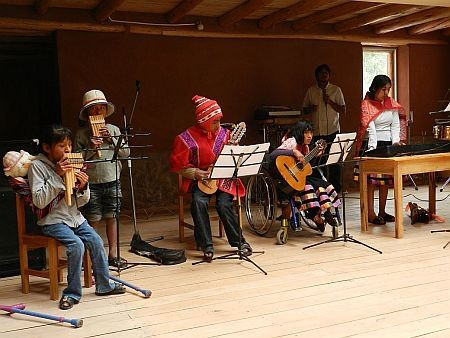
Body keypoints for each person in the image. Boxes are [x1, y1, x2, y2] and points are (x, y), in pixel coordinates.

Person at [28, 124, 125, 310]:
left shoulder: (74, 163)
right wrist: (57, 176)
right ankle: (72, 293)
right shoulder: (37, 167)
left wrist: (82, 188)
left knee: (96, 240)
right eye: (62, 146)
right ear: (47, 148)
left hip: (74, 217)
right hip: (53, 220)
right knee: (76, 245)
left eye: (69, 145)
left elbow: (80, 203)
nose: (67, 150)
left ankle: (104, 285)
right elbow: (39, 201)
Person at [170, 95, 252, 262]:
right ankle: (206, 245)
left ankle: (239, 242)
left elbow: (234, 162)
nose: (218, 125)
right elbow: (178, 166)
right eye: (215, 121)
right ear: (203, 121)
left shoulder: (226, 135)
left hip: (223, 179)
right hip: (200, 180)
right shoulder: (186, 138)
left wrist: (234, 153)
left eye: (219, 120)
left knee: (223, 204)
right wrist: (195, 173)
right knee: (198, 202)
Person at [75, 89, 130, 268]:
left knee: (112, 216)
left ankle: (113, 253)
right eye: (93, 109)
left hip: (112, 178)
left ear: (106, 111)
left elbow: (126, 153)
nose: (98, 112)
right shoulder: (82, 134)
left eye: (101, 108)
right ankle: (92, 256)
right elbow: (77, 159)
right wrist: (91, 146)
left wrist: (112, 139)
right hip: (92, 183)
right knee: (93, 218)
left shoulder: (114, 130)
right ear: (87, 114)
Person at [267, 120, 340, 232]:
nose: (310, 136)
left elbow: (306, 169)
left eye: (311, 133)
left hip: (299, 179)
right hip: (284, 179)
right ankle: (315, 216)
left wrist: (315, 155)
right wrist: (293, 152)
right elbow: (273, 155)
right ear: (299, 133)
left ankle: (326, 212)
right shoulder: (292, 142)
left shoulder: (306, 148)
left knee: (322, 185)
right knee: (309, 186)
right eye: (306, 133)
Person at [354, 75, 407, 225]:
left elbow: (395, 125)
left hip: (388, 144)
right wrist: (373, 150)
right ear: (374, 88)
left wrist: (395, 143)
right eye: (384, 89)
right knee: (371, 181)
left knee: (385, 180)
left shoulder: (391, 103)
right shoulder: (366, 104)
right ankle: (371, 214)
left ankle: (382, 211)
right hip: (373, 145)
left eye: (388, 89)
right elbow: (370, 129)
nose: (386, 92)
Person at [302, 64, 346, 192]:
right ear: (316, 76)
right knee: (316, 163)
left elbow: (343, 109)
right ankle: (319, 189)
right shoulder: (311, 91)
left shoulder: (336, 90)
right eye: (321, 73)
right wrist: (311, 109)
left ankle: (335, 189)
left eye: (326, 73)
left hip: (332, 131)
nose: (324, 75)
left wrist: (330, 102)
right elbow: (304, 110)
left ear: (329, 75)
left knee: (334, 162)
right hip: (317, 133)